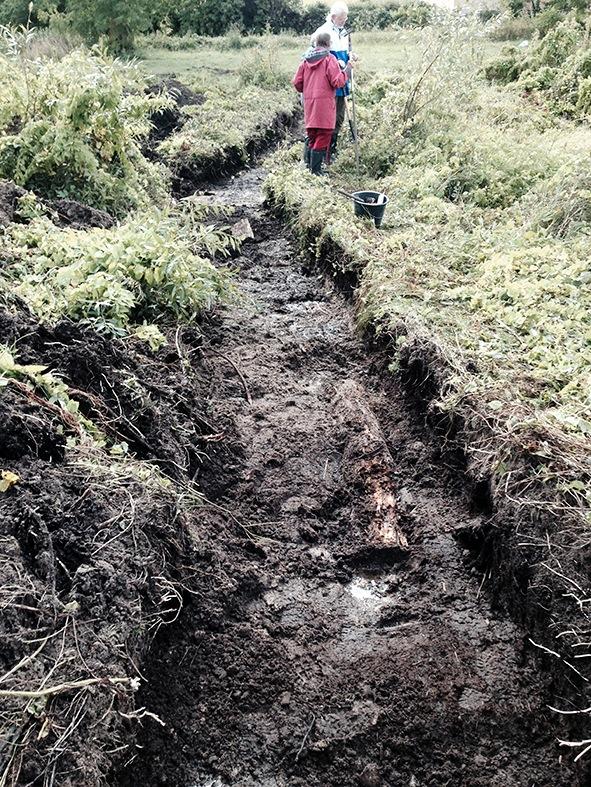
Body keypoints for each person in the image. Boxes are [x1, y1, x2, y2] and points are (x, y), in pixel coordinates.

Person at [292, 32, 351, 175]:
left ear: (316, 43)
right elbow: (337, 82)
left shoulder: (305, 61)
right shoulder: (329, 59)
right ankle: (316, 172)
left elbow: (297, 83)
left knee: (312, 135)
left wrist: (308, 88)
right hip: (324, 105)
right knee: (324, 134)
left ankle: (309, 170)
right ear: (329, 44)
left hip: (310, 104)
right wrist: (347, 71)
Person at [312, 2, 356, 162]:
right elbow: (314, 55)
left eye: (345, 19)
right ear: (333, 17)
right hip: (329, 83)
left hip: (342, 79)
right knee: (328, 119)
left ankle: (332, 149)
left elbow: (346, 51)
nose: (344, 22)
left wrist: (351, 56)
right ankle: (323, 154)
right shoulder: (322, 32)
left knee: (339, 117)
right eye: (342, 19)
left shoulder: (343, 32)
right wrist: (334, 61)